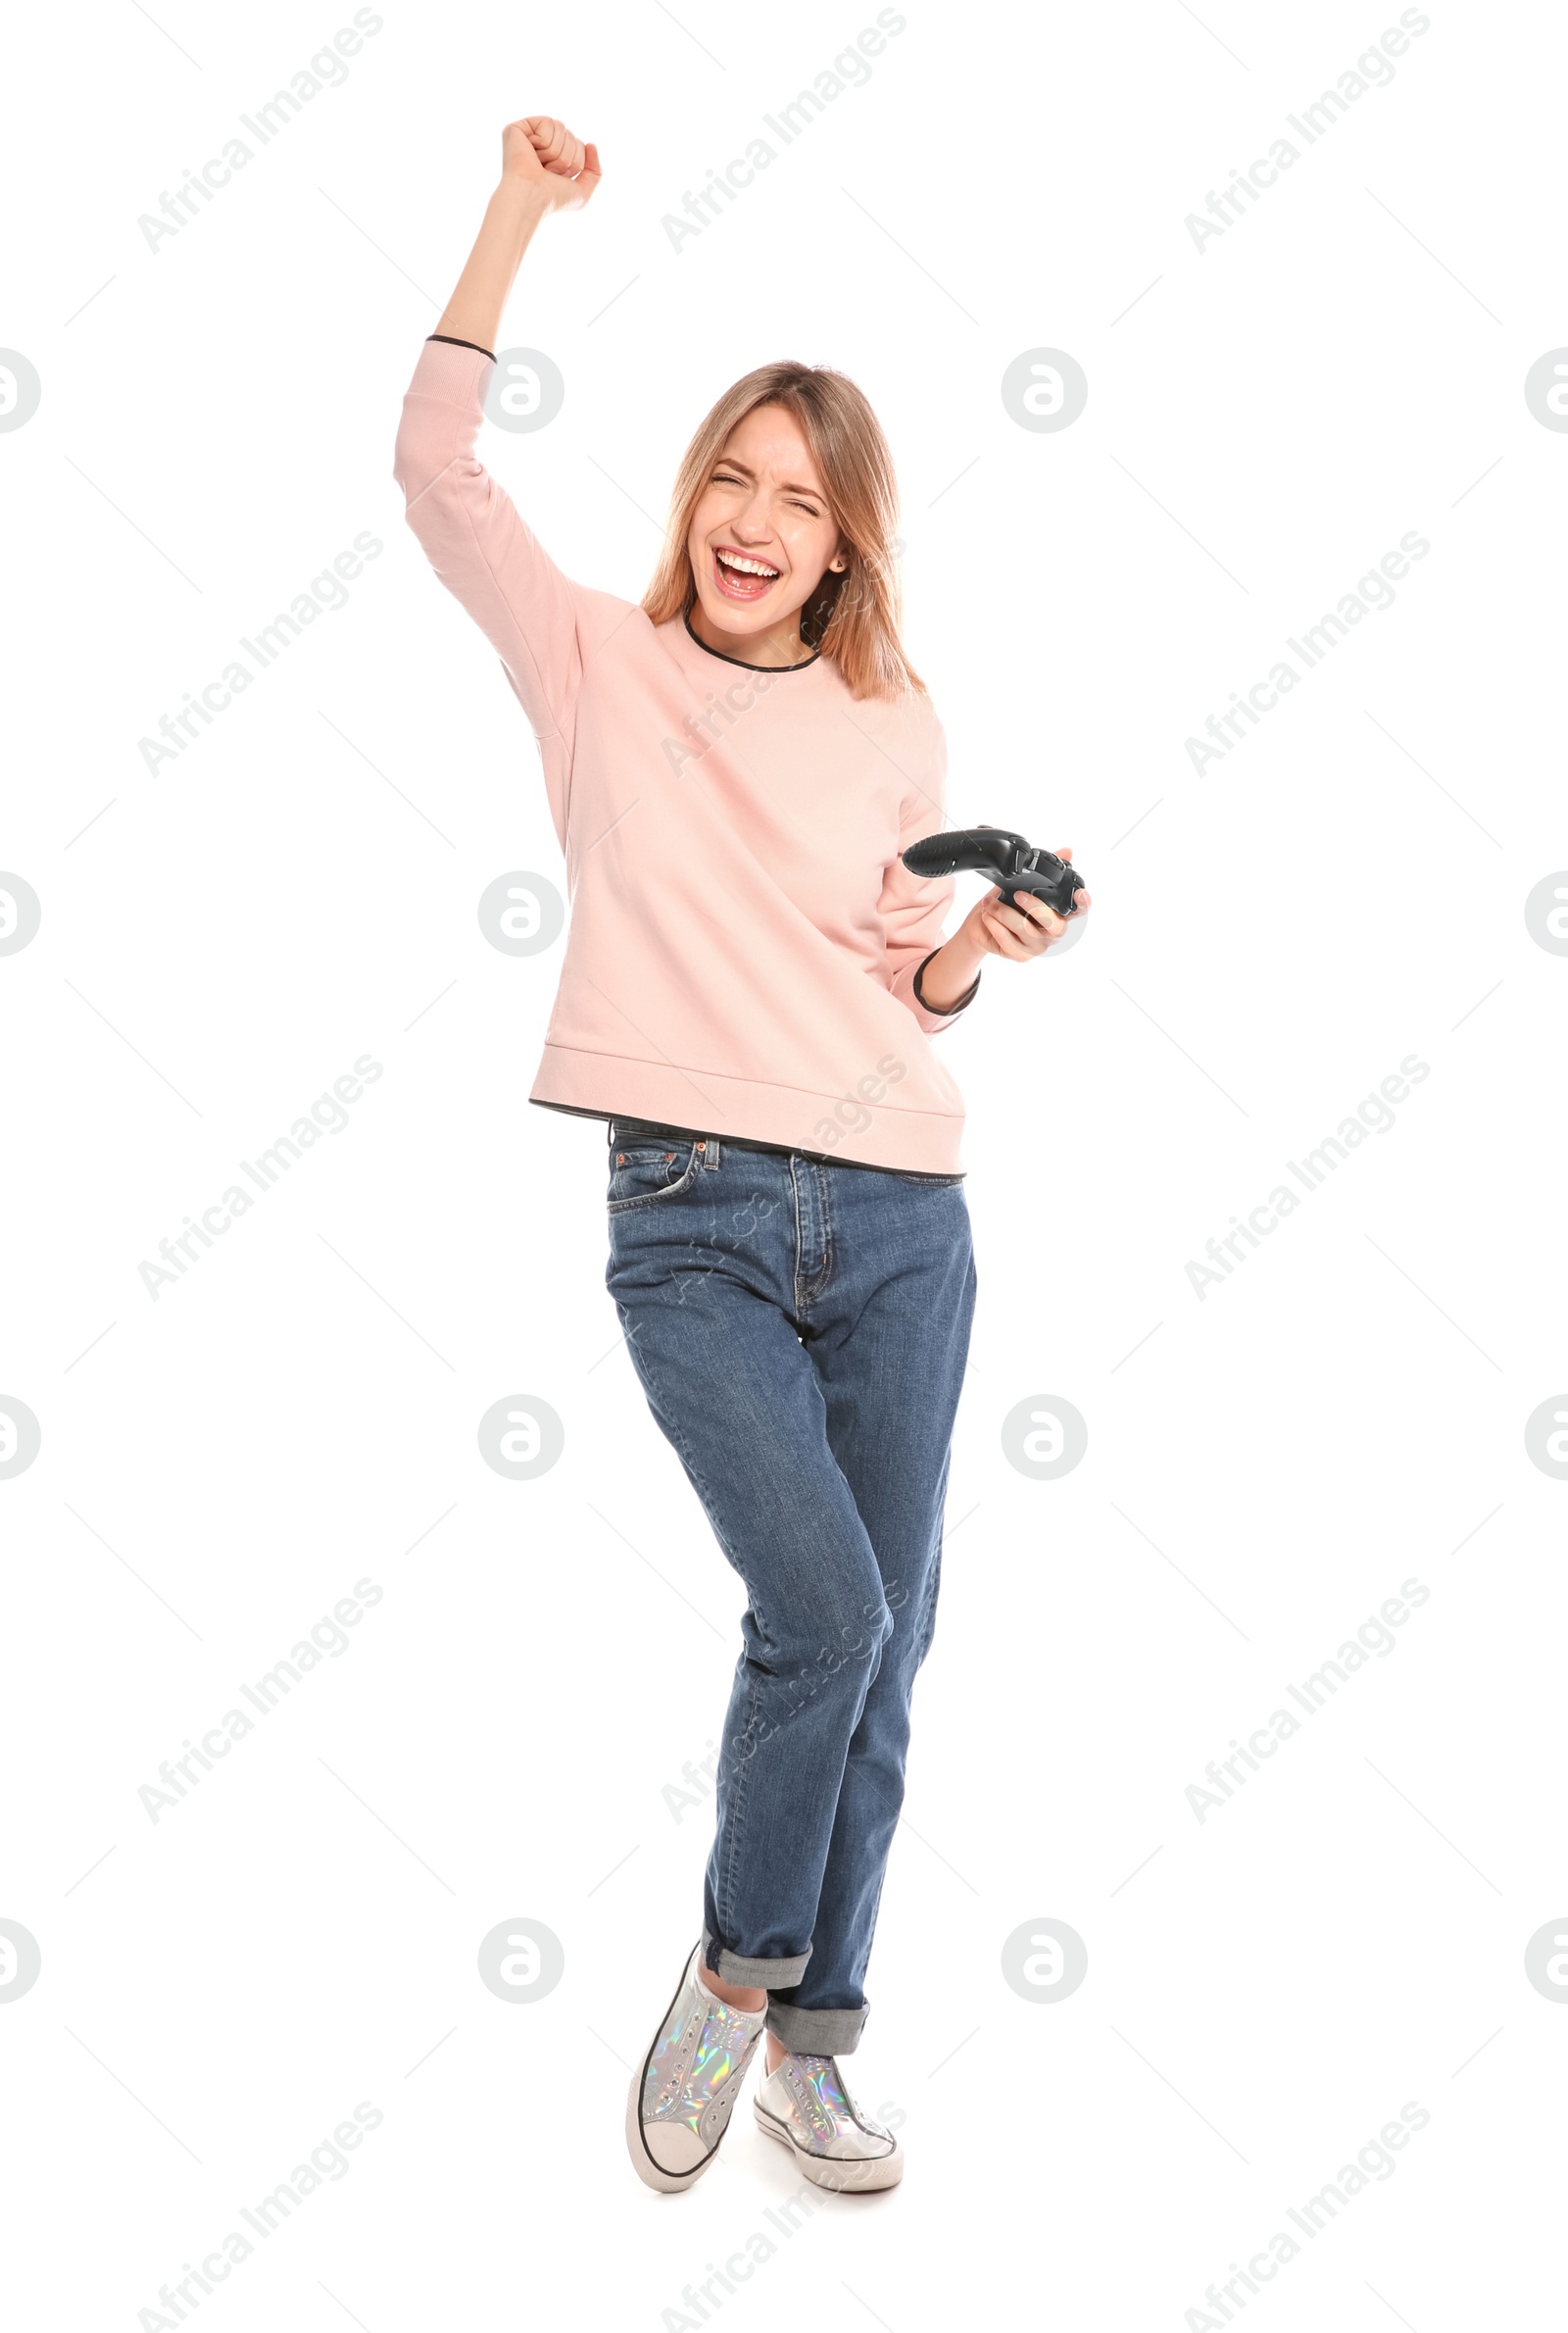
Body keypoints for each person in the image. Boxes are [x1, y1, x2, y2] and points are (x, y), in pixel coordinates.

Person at [393, 115, 1089, 2197]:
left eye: (800, 497)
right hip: (685, 1218)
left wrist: (975, 944)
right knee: (823, 1610)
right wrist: (517, 214)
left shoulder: (892, 725)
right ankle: (731, 1971)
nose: (753, 517)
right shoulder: (591, 665)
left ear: (848, 543)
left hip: (899, 1217)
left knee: (887, 1631)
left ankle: (816, 2039)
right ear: (692, 492)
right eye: (732, 474)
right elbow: (436, 474)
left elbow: (904, 990)